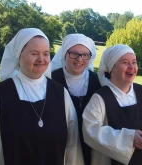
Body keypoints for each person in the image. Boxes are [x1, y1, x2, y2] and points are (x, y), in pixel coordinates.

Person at [0, 28, 84, 165]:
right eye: (34, 53)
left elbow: (72, 144)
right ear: (19, 55)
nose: (41, 59)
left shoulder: (60, 93)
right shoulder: (2, 93)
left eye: (45, 54)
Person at [82, 44, 142, 165]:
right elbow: (90, 130)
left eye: (134, 62)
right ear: (112, 67)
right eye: (125, 62)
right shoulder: (100, 98)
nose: (131, 67)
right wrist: (128, 138)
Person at [51, 33, 101, 165]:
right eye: (74, 53)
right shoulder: (51, 80)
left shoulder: (97, 80)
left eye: (85, 55)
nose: (80, 59)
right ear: (65, 54)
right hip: (62, 146)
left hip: (92, 143)